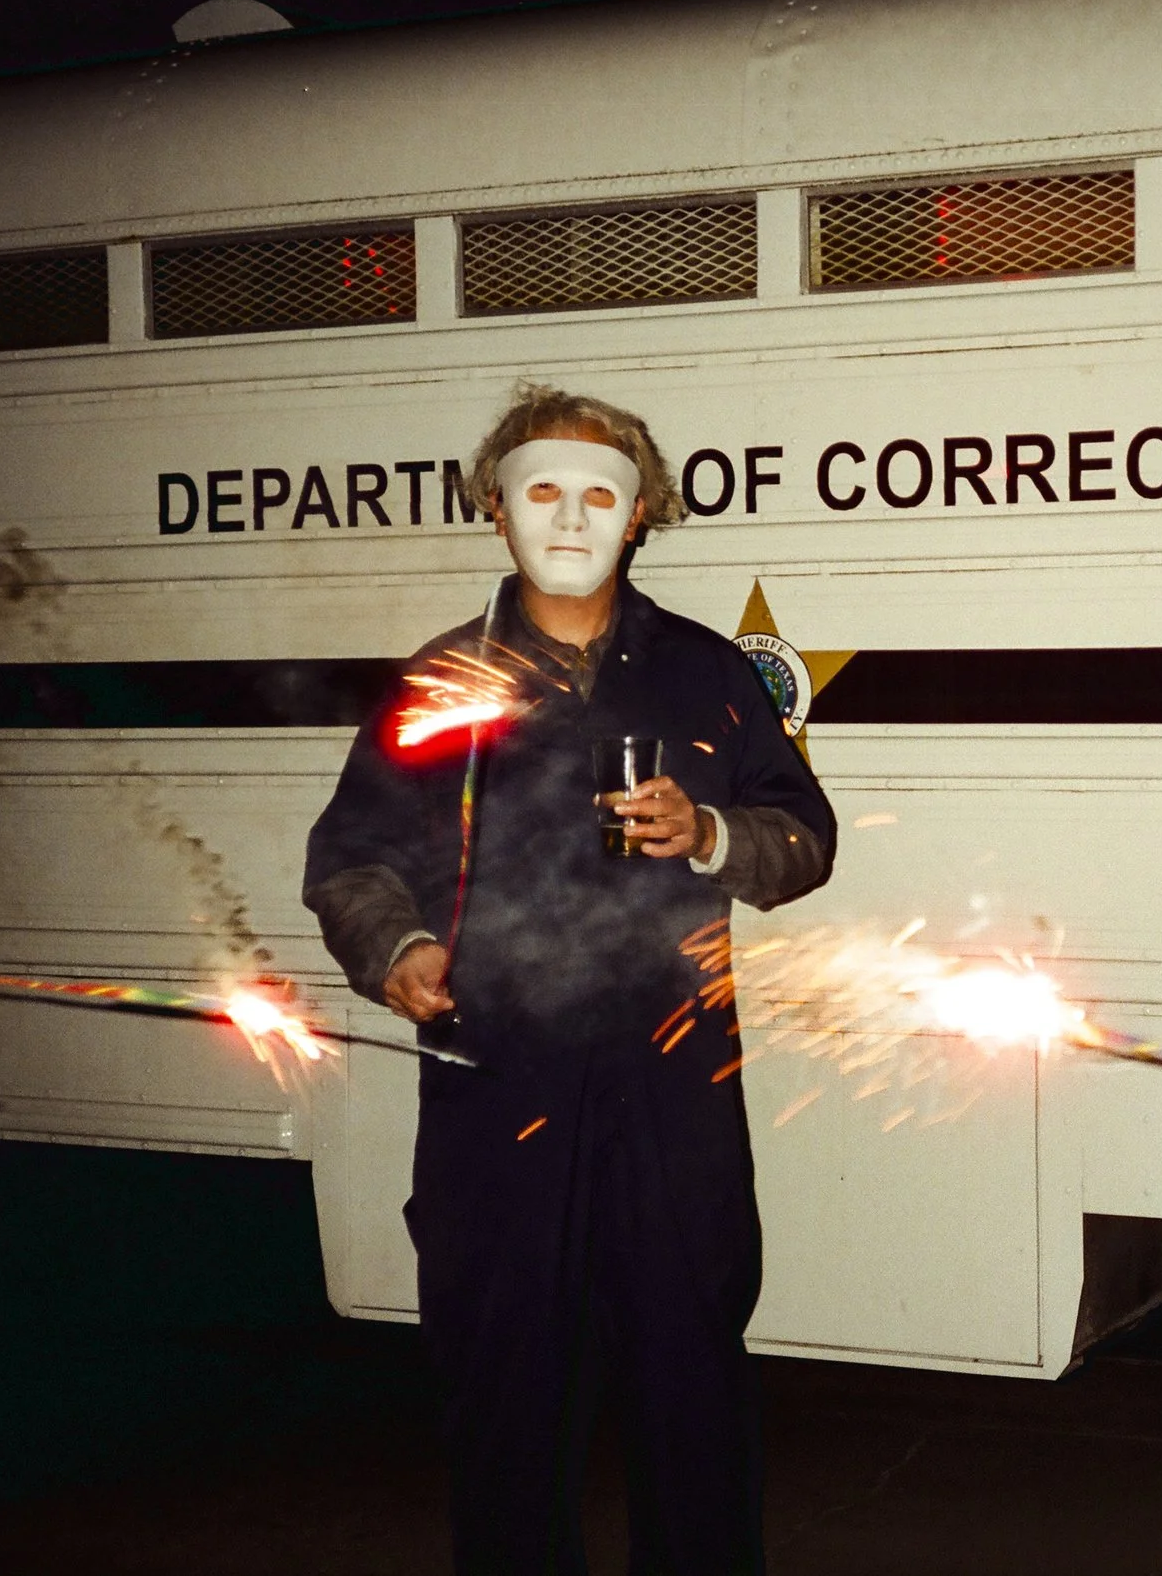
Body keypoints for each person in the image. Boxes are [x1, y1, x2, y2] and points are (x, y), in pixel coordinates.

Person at [303, 382, 834, 1575]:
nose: (570, 514)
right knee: (506, 1404)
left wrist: (710, 832)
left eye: (600, 492)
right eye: (541, 488)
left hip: (674, 1095)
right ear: (496, 509)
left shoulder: (706, 672)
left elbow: (805, 837)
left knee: (691, 1394)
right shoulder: (441, 684)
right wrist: (397, 951)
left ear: (640, 512)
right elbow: (353, 858)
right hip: (500, 1090)